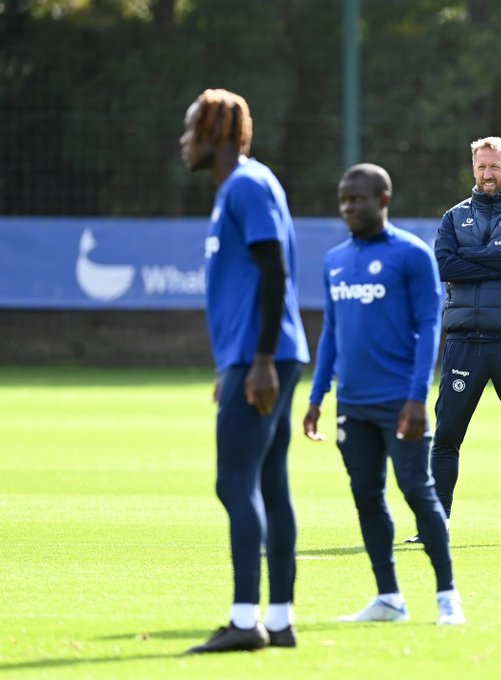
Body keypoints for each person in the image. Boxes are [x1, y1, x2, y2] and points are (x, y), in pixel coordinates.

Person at [303, 163, 465, 626]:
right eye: (343, 200)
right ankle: (389, 598)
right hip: (352, 405)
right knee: (367, 496)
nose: (349, 207)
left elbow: (430, 326)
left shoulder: (411, 254)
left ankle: (447, 597)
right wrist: (317, 396)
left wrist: (417, 396)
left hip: (399, 402)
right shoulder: (335, 260)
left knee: (417, 491)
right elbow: (331, 331)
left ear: (384, 200)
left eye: (358, 199)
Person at [179, 88, 310, 653]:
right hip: (254, 355)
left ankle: (243, 620)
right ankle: (278, 621)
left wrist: (259, 360)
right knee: (269, 484)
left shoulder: (247, 185)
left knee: (234, 483)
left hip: (264, 357)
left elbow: (273, 271)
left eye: (191, 127)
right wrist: (234, 362)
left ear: (214, 132)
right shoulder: (240, 187)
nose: (184, 140)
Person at [405, 136, 501, 547]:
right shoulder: (454, 216)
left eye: (494, 166)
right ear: (473, 169)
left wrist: (471, 256)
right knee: (446, 436)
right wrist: (496, 256)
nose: (487, 174)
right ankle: (435, 524)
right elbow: (444, 264)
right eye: (481, 166)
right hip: (463, 341)